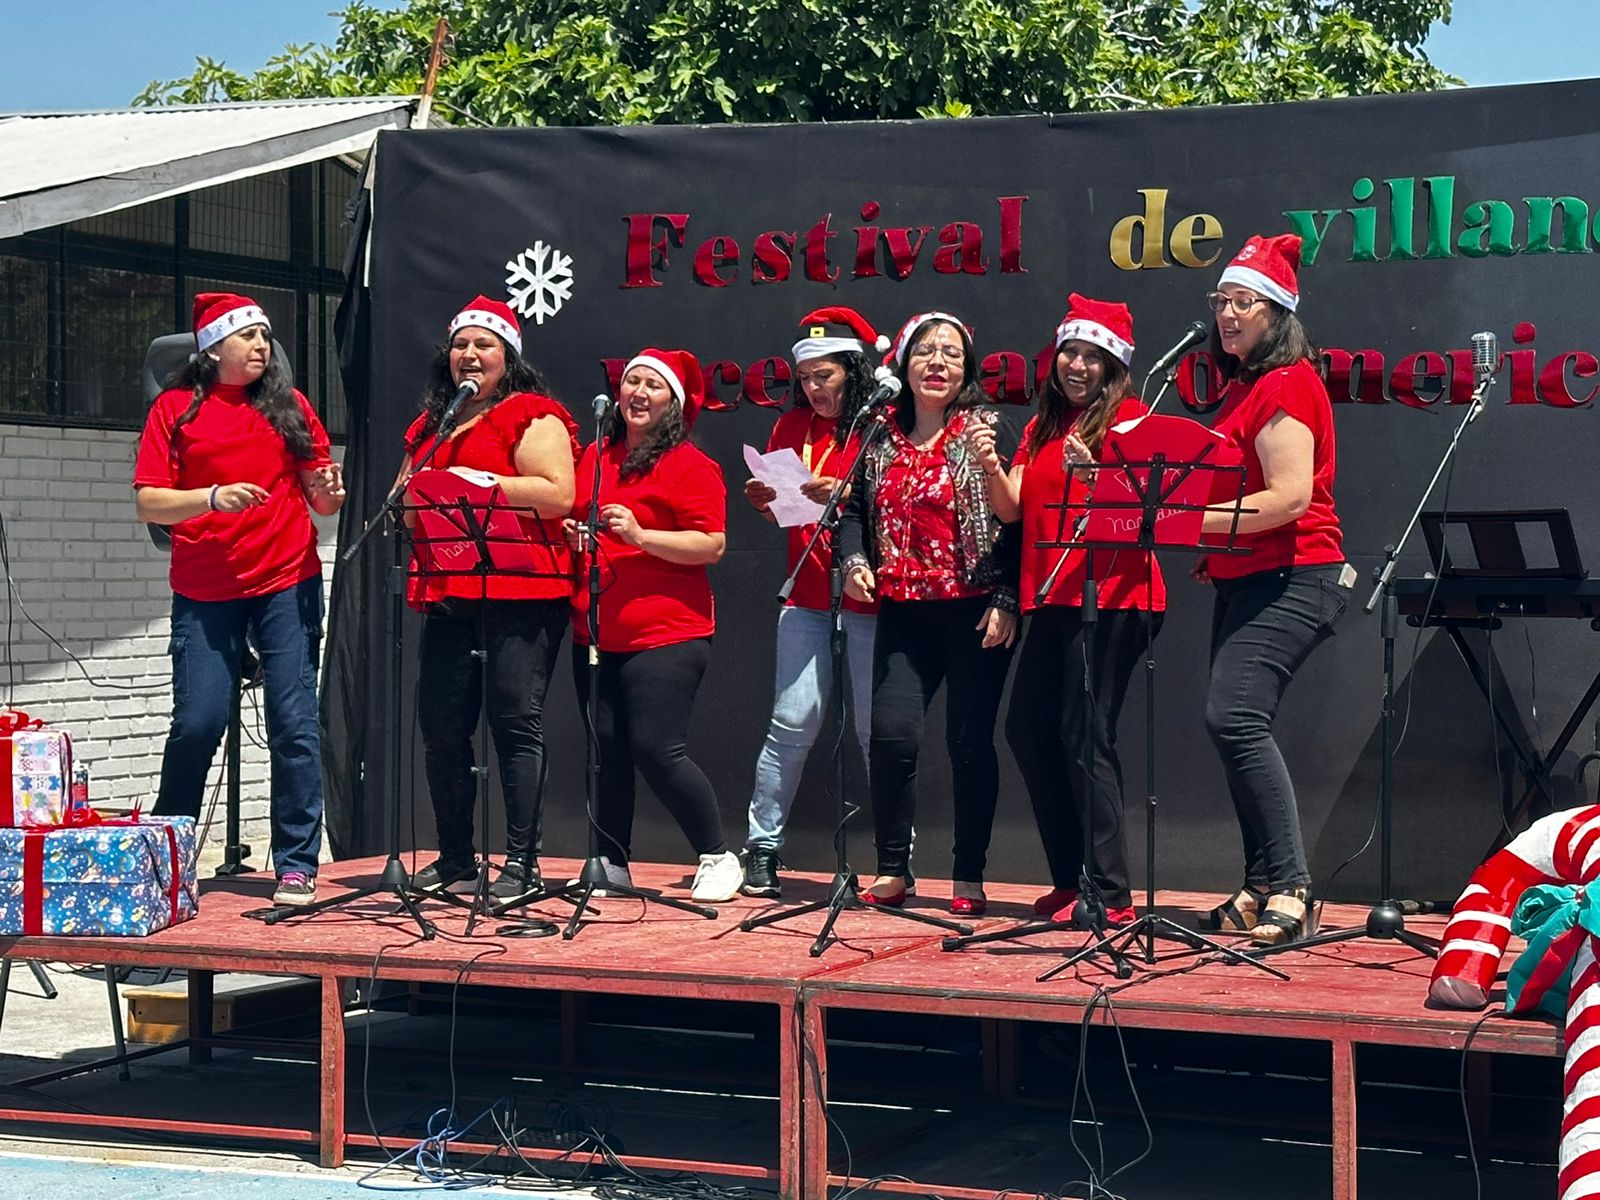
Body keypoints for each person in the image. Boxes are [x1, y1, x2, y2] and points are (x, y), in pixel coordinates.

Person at [136, 292, 345, 907]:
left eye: (265, 336)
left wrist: (330, 488)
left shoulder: (289, 405)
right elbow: (149, 501)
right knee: (197, 722)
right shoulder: (175, 410)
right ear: (213, 347)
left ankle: (297, 865)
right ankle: (166, 862)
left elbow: (322, 500)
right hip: (205, 589)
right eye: (248, 335)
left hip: (286, 578)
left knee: (293, 723)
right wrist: (211, 495)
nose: (262, 346)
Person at [973, 295, 1164, 927]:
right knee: (1028, 732)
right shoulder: (1041, 427)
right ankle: (1069, 876)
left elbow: (1145, 515)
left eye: (1092, 356)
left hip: (1114, 597)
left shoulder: (1133, 419)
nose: (1077, 365)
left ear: (1114, 367)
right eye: (1069, 352)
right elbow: (1011, 509)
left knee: (1087, 738)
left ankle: (1110, 893)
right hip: (1053, 596)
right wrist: (988, 465)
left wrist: (1097, 480)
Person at [1194, 233, 1349, 947]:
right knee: (1229, 723)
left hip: (1294, 572)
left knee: (1235, 718)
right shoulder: (1247, 386)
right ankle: (1260, 887)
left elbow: (1288, 497)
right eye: (1221, 301)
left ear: (1277, 311)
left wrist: (1186, 518)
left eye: (1242, 302)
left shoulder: (1286, 383)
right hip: (1247, 576)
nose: (1227, 314)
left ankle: (1290, 885)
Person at [398, 296, 578, 901]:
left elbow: (558, 494)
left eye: (484, 346)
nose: (469, 355)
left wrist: (486, 484)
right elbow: (404, 502)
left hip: (522, 589)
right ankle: (454, 858)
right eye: (460, 345)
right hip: (452, 591)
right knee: (442, 727)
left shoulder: (532, 414)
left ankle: (522, 864)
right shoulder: (432, 425)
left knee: (512, 723)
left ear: (510, 359)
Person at [839, 312, 1019, 916]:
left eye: (950, 353)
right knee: (890, 738)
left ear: (966, 368)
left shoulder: (990, 428)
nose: (937, 363)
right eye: (925, 352)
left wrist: (1007, 597)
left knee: (968, 743)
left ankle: (968, 875)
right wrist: (854, 560)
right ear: (904, 364)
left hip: (973, 610)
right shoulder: (877, 432)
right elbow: (851, 511)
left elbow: (1020, 522)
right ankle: (893, 868)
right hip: (904, 612)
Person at [563, 348, 742, 903]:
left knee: (655, 748)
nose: (637, 393)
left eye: (652, 386)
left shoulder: (690, 465)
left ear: (674, 404)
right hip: (595, 629)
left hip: (668, 632)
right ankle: (611, 864)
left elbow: (710, 544)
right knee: (606, 748)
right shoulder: (596, 454)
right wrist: (579, 535)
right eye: (631, 382)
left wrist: (641, 536)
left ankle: (717, 855)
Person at [739, 307, 888, 899]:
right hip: (805, 596)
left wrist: (846, 492)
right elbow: (784, 511)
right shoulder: (790, 426)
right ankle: (762, 848)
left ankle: (892, 858)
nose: (814, 388)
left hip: (869, 600)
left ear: (852, 371)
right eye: (805, 378)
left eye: (825, 376)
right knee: (793, 721)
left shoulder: (880, 422)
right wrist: (763, 500)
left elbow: (903, 498)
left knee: (879, 731)